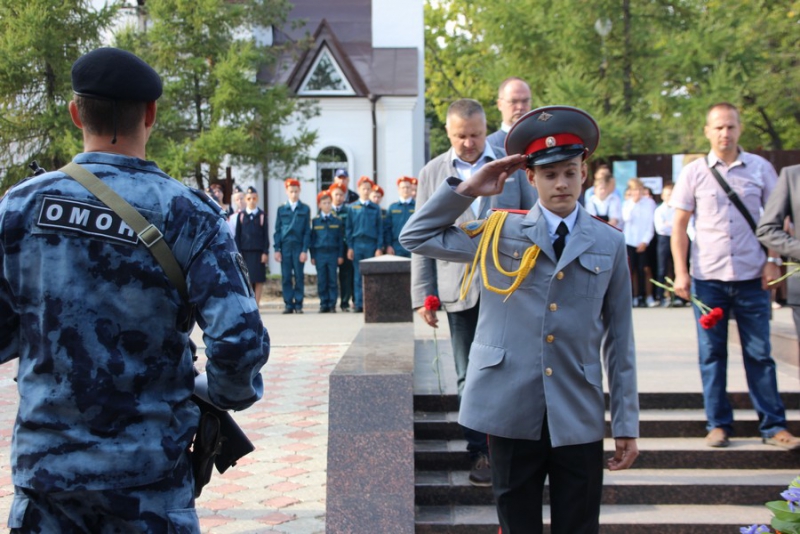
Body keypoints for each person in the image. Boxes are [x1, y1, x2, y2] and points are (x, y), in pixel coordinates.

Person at [0, 47, 269, 532]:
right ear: (151, 113)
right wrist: (222, 395)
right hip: (147, 477)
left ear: (76, 112)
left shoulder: (19, 207)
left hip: (47, 475)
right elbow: (240, 340)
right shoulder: (189, 213)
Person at [401, 105, 639, 534]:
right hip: (511, 409)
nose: (561, 183)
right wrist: (470, 188)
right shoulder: (498, 229)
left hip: (577, 412)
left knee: (579, 526)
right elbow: (415, 236)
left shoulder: (609, 242)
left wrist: (625, 423)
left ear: (584, 172)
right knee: (517, 527)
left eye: (569, 171)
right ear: (531, 179)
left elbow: (620, 342)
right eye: (549, 174)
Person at [411, 98, 537, 487]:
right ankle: (479, 451)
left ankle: (511, 448)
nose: (469, 143)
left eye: (476, 135)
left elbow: (535, 219)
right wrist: (422, 293)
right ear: (448, 134)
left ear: (487, 130)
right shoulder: (433, 172)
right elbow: (420, 233)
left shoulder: (513, 166)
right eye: (461, 136)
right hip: (457, 287)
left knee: (511, 370)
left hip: (508, 287)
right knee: (468, 375)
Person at [671, 102, 800, 450]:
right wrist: (681, 274)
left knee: (759, 353)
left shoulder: (760, 169)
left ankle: (773, 426)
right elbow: (679, 227)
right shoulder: (694, 172)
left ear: (740, 129)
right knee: (711, 355)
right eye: (718, 127)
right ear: (707, 131)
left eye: (730, 127)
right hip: (708, 279)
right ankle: (717, 424)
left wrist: (774, 259)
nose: (725, 133)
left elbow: (779, 220)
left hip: (752, 277)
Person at [346, 176, 384, 312]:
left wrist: (379, 247)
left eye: (368, 189)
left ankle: (371, 303)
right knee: (357, 275)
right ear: (359, 189)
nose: (366, 191)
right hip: (357, 244)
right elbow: (348, 229)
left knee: (371, 275)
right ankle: (359, 304)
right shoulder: (352, 208)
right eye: (364, 188)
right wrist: (350, 247)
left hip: (371, 244)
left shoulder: (375, 208)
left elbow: (380, 229)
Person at [273, 178, 311, 314]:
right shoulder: (281, 209)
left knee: (299, 276)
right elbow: (277, 230)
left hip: (298, 246)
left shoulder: (305, 209)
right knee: (286, 276)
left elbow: (307, 231)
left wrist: (304, 250)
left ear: (299, 191)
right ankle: (289, 304)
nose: (294, 194)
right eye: (291, 191)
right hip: (285, 246)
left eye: (296, 191)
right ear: (287, 192)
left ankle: (299, 303)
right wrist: (277, 249)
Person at [622, 178, 657, 307]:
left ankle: (645, 296)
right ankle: (633, 296)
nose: (637, 192)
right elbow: (626, 218)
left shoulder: (650, 203)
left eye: (639, 189)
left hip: (644, 241)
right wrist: (633, 203)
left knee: (644, 270)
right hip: (630, 240)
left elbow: (650, 224)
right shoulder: (627, 203)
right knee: (631, 271)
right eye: (634, 190)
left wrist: (645, 241)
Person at [310, 191, 344, 313]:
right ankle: (323, 303)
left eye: (329, 203)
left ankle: (332, 304)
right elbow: (312, 239)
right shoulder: (315, 221)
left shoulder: (337, 220)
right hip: (320, 253)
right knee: (322, 280)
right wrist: (312, 255)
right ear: (319, 205)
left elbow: (340, 239)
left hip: (333, 253)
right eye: (324, 203)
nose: (327, 205)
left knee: (333, 280)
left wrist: (340, 255)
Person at [235, 186, 271, 306]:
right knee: (247, 279)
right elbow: (238, 236)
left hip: (258, 253)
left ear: (257, 199)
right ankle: (249, 304)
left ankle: (257, 304)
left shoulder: (261, 215)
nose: (251, 200)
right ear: (245, 199)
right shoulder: (241, 215)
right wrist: (238, 253)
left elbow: (266, 235)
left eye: (254, 198)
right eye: (249, 198)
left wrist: (265, 252)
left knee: (258, 279)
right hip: (245, 252)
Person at [653, 182, 683, 307]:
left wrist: (670, 224)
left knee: (678, 267)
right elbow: (660, 228)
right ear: (662, 196)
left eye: (672, 194)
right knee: (662, 268)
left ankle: (678, 297)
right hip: (664, 240)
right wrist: (673, 225)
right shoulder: (659, 210)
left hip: (677, 238)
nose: (669, 197)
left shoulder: (678, 209)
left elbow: (681, 226)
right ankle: (660, 296)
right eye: (667, 194)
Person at [486, 77, 531, 150]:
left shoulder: (540, 140)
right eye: (513, 101)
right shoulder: (487, 147)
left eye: (525, 101)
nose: (520, 107)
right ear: (500, 104)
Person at [329, 183, 354, 312]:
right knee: (331, 276)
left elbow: (350, 228)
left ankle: (345, 302)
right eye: (336, 194)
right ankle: (330, 303)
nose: (338, 197)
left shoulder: (348, 210)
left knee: (346, 275)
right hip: (331, 247)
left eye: (341, 195)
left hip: (345, 246)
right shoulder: (326, 209)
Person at [385, 176, 416, 257]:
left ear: (411, 189)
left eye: (407, 187)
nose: (405, 189)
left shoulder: (417, 206)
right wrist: (389, 245)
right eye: (403, 187)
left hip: (413, 244)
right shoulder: (393, 207)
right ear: (398, 190)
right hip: (396, 246)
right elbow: (388, 228)